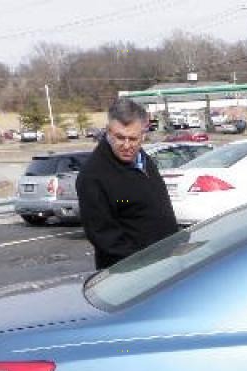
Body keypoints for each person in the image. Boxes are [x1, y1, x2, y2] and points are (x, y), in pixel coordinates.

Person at [76, 98, 177, 269]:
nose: (127, 145)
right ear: (108, 131)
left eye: (133, 138)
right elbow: (105, 238)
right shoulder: (93, 176)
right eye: (119, 137)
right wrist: (146, 263)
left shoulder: (142, 158)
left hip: (165, 264)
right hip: (129, 275)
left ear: (143, 133)